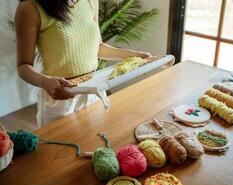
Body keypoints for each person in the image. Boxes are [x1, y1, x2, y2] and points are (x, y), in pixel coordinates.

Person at [15, 0, 151, 127]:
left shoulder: (91, 1)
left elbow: (97, 47)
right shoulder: (30, 8)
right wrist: (45, 82)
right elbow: (23, 66)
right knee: (60, 152)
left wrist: (132, 55)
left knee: (94, 146)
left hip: (94, 92)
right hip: (60, 98)